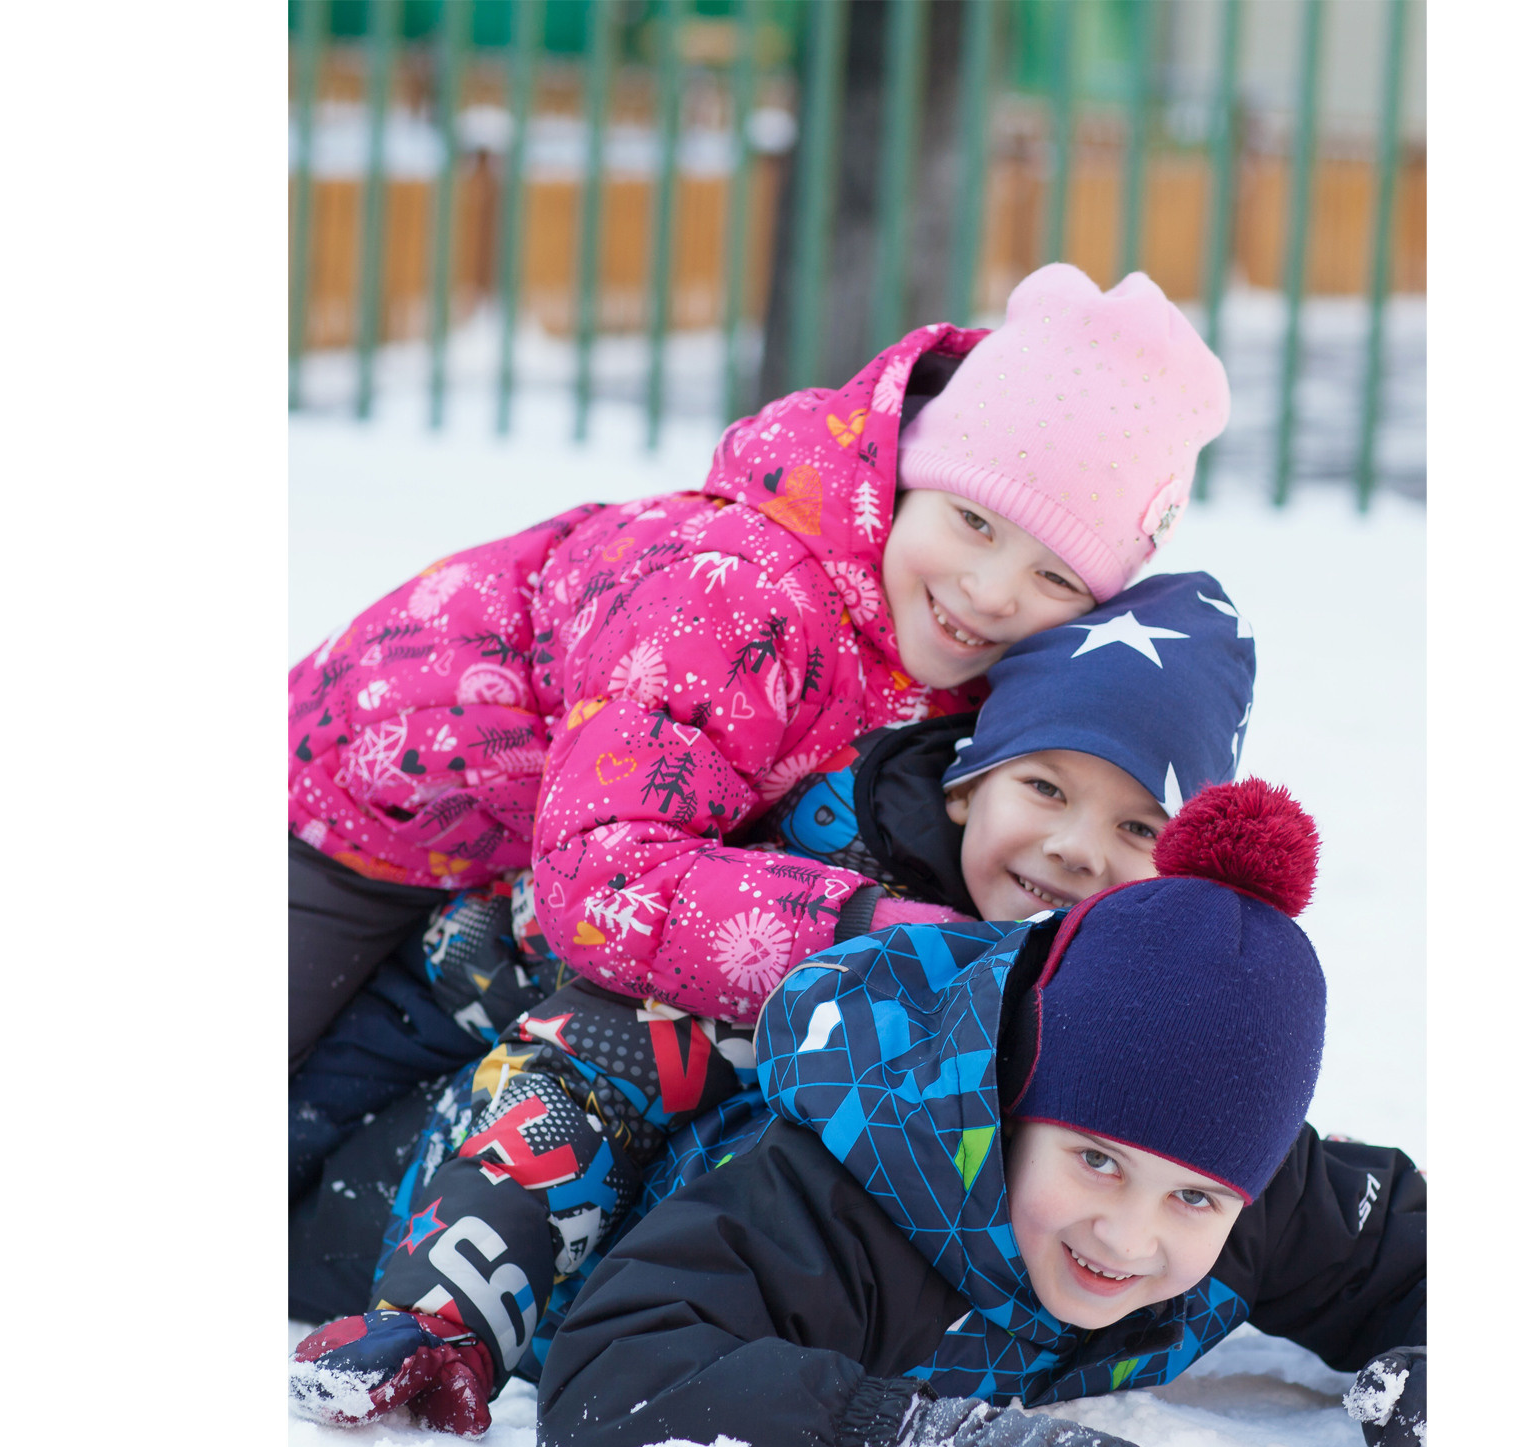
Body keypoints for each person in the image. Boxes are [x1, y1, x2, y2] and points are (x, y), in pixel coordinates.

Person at [292, 781, 1428, 1447]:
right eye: (1092, 1161)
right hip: (440, 1189)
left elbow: (1409, 1252)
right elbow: (616, 1375)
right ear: (1011, 1101)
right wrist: (936, 1441)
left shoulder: (1251, 1188)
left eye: (1194, 1199)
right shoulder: (850, 1194)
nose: (1130, 1238)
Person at [290, 263, 1232, 1072]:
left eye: (1055, 574)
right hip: (353, 808)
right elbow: (603, 876)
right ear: (902, 478)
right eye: (972, 522)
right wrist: (863, 930)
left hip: (512, 851)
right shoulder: (734, 598)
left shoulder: (958, 640)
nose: (991, 592)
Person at [285, 569, 1260, 1330]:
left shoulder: (1113, 968)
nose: (1076, 849)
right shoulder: (840, 865)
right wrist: (456, 1303)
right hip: (501, 1009)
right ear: (967, 785)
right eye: (1045, 789)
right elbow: (613, 1044)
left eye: (1139, 829)